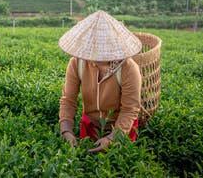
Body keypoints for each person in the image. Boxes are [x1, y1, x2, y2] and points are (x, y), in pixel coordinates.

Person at [58, 10, 142, 153]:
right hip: (90, 124)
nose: (95, 58)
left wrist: (112, 138)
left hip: (122, 127)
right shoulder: (77, 63)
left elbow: (129, 109)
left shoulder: (128, 69)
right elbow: (68, 100)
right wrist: (66, 130)